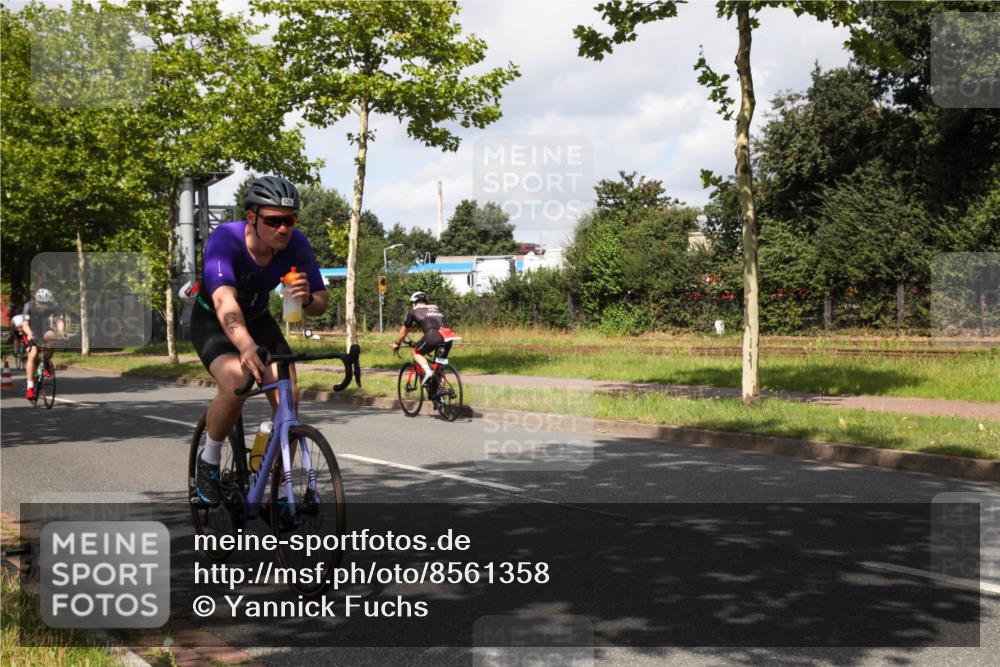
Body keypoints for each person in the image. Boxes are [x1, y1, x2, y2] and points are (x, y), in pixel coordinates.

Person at [190, 175, 328, 505]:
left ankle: (280, 487)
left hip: (258, 318)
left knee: (289, 396)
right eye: (273, 220)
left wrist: (307, 298)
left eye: (290, 220)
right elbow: (225, 303)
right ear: (251, 217)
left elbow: (321, 305)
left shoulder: (296, 244)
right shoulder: (226, 240)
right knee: (238, 377)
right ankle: (208, 460)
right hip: (215, 319)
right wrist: (245, 345)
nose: (283, 229)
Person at [392, 292, 457, 388]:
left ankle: (427, 371)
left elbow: (403, 331)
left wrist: (397, 343)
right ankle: (441, 397)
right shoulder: (436, 308)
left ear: (413, 303)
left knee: (416, 352)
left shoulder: (413, 311)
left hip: (433, 336)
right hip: (448, 337)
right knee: (439, 367)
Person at [18, 288, 67, 401]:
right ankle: (30, 388)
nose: (45, 306)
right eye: (43, 304)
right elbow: (25, 324)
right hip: (30, 331)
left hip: (44, 329)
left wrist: (62, 331)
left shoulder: (53, 306)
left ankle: (47, 362)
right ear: (36, 301)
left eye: (47, 303)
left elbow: (58, 321)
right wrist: (29, 333)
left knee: (52, 336)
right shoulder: (28, 306)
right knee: (33, 354)